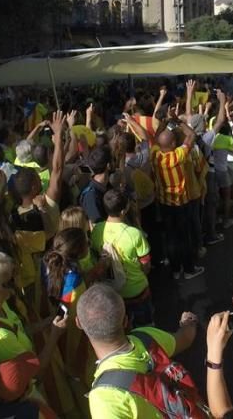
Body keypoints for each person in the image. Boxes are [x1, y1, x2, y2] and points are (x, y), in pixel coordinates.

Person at [75, 282, 201, 419]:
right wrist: (188, 322)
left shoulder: (104, 399)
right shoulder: (145, 337)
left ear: (78, 323)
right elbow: (185, 339)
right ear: (125, 321)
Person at [0, 248, 66, 415]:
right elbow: (37, 373)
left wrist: (43, 324)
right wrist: (54, 335)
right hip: (24, 398)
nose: (15, 284)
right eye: (8, 282)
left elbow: (17, 329)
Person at [150, 111, 204, 279]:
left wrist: (162, 124)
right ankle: (188, 269)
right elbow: (192, 134)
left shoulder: (155, 155)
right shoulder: (178, 156)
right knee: (184, 237)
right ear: (173, 143)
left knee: (171, 238)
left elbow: (156, 138)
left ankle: (175, 270)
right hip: (181, 203)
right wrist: (175, 121)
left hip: (164, 203)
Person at [90, 188, 153, 325]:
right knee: (146, 326)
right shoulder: (134, 234)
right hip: (136, 289)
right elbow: (146, 265)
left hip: (112, 290)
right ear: (124, 211)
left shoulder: (97, 230)